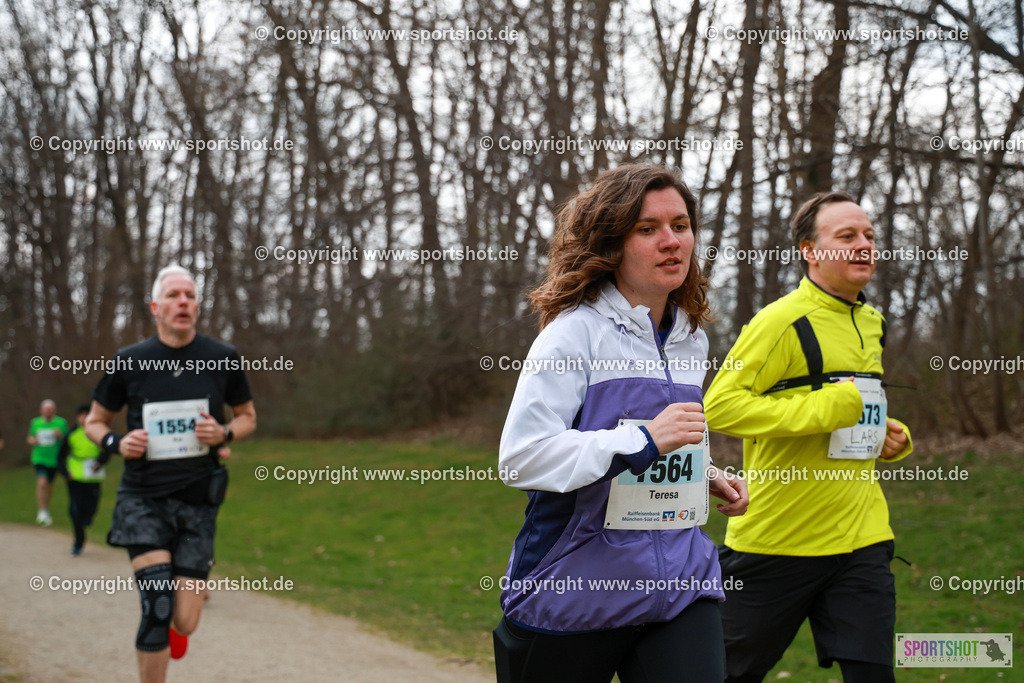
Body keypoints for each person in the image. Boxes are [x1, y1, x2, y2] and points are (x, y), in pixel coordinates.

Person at [493, 164, 748, 683]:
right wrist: (644, 440)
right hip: (576, 586)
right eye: (647, 229)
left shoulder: (690, 339)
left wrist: (703, 472)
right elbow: (522, 458)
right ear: (612, 244)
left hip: (679, 583)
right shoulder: (572, 335)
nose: (671, 241)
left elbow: (659, 440)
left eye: (680, 225)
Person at [704, 191, 913, 683]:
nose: (863, 245)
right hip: (778, 540)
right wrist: (830, 408)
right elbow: (721, 406)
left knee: (874, 674)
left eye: (868, 235)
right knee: (724, 673)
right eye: (846, 236)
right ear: (810, 250)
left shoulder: (872, 321)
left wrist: (886, 433)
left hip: (861, 538)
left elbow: (855, 405)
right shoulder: (780, 321)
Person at [85, 264, 256, 683]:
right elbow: (95, 421)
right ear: (156, 307)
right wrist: (117, 444)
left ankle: (175, 631)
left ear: (197, 306)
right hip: (142, 498)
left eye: (191, 296)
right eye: (175, 295)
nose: (184, 302)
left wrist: (225, 432)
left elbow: (248, 417)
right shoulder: (129, 361)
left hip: (198, 501)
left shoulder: (222, 357)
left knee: (185, 620)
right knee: (157, 604)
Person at [58, 404, 106, 555]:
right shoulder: (71, 434)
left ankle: (86, 518)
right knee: (74, 509)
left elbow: (107, 451)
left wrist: (100, 462)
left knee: (92, 506)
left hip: (93, 476)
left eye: (87, 415)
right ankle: (79, 540)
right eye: (81, 415)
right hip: (76, 475)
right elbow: (60, 456)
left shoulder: (99, 432)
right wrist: (65, 472)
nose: (83, 418)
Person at [28, 399, 69, 526]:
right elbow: (30, 437)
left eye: (51, 410)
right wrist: (33, 441)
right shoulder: (35, 423)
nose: (48, 412)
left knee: (49, 487)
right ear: (41, 411)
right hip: (39, 458)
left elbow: (67, 440)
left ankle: (45, 509)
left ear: (54, 411)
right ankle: (41, 510)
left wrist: (60, 435)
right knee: (42, 482)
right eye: (46, 410)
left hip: (54, 459)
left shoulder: (61, 422)